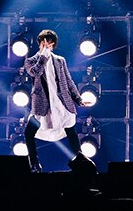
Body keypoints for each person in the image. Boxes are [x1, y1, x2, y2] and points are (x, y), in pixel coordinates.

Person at [23, 29, 95, 173]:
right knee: (29, 133)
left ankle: (81, 163)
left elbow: (69, 81)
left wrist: (79, 99)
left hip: (61, 103)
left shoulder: (60, 60)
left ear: (53, 45)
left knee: (71, 132)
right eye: (44, 43)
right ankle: (35, 164)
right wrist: (43, 56)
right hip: (42, 105)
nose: (47, 46)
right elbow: (35, 72)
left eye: (50, 44)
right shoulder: (31, 61)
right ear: (40, 43)